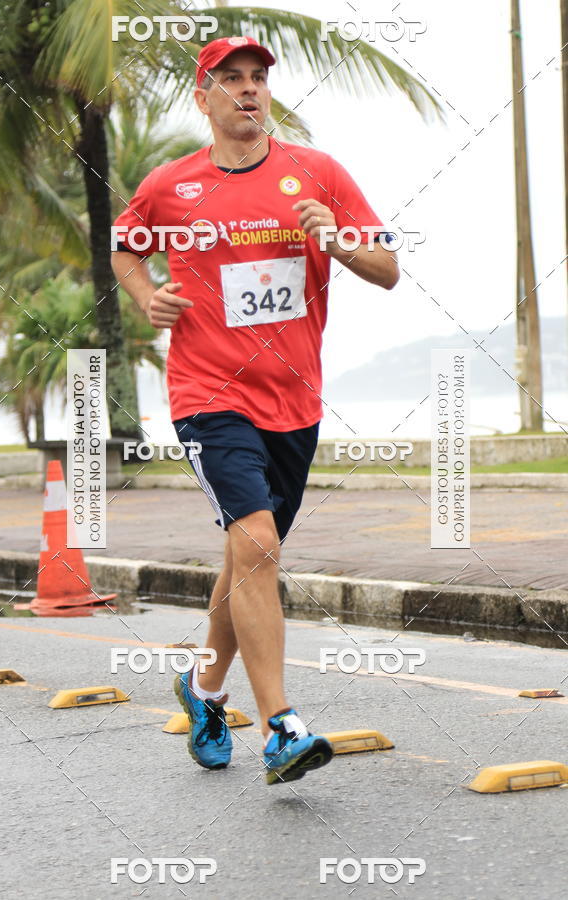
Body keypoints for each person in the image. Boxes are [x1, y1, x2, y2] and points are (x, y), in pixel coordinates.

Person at [112, 35, 399, 785]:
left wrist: (335, 242)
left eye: (257, 79)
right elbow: (125, 246)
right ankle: (281, 727)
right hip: (209, 397)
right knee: (261, 549)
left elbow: (389, 269)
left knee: (249, 559)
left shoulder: (319, 173)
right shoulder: (171, 186)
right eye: (230, 80)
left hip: (294, 401)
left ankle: (203, 691)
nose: (248, 90)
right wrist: (148, 298)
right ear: (202, 97)